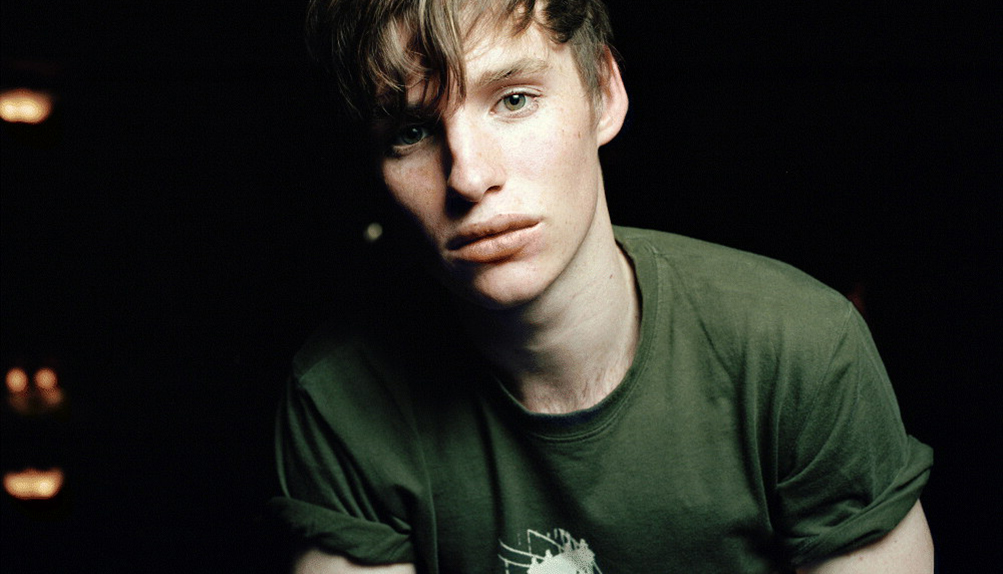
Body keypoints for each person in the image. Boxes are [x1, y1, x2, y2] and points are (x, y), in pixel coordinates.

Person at [268, 1, 934, 572]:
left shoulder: (797, 350)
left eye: (514, 99)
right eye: (410, 132)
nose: (468, 176)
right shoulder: (340, 397)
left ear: (604, 94)